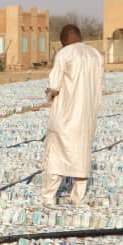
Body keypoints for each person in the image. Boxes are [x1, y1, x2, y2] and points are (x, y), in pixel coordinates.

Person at [40, 24, 104, 207]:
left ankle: (48, 198)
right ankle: (77, 198)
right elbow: (100, 86)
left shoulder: (65, 54)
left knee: (56, 156)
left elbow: (54, 85)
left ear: (65, 39)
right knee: (81, 156)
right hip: (87, 117)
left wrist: (49, 94)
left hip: (66, 115)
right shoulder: (95, 55)